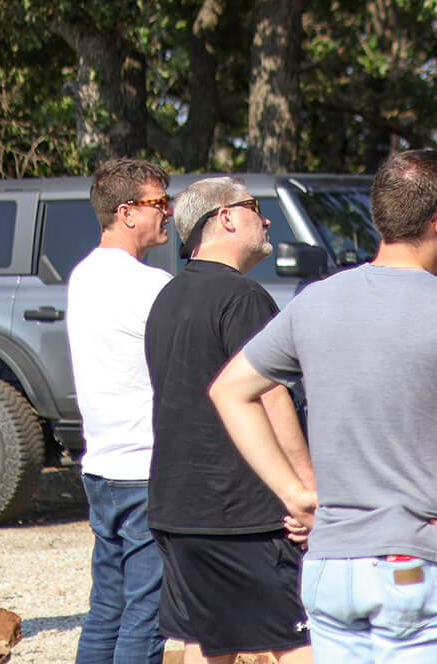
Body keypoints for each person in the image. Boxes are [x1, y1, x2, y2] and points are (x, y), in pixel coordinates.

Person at [209, 149, 437, 664]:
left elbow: (230, 391)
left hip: (332, 569)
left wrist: (295, 493)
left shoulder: (317, 300)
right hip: (418, 566)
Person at [144, 177, 315, 664]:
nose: (265, 220)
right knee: (297, 641)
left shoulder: (167, 298)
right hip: (248, 514)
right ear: (224, 217)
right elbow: (272, 397)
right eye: (255, 208)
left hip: (179, 508)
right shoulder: (244, 298)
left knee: (204, 643)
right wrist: (305, 489)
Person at [68, 157, 176, 664]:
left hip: (102, 467)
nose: (168, 212)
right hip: (144, 467)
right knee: (144, 616)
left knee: (106, 609)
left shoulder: (83, 275)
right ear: (127, 211)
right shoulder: (146, 285)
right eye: (159, 202)